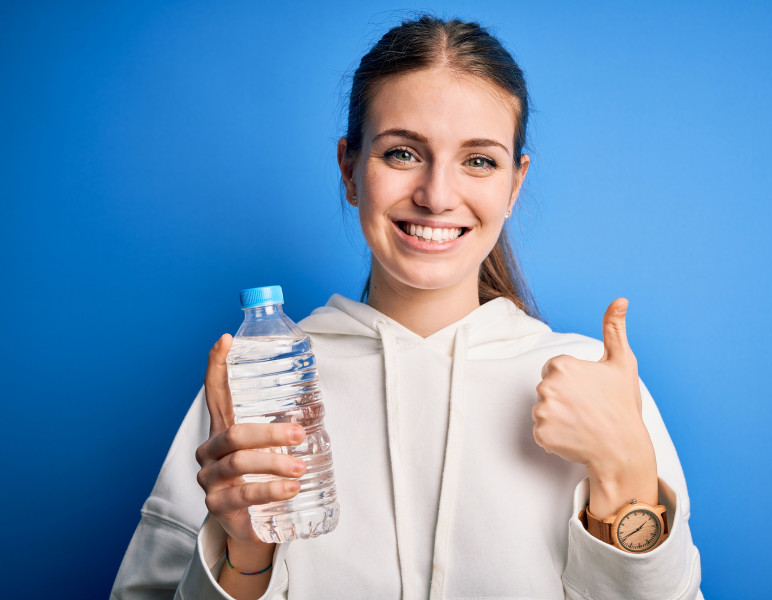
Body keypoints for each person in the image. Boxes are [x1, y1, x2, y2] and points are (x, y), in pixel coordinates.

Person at [113, 15, 702, 600]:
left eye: (479, 160)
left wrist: (626, 470)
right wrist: (243, 556)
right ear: (349, 168)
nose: (437, 196)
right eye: (401, 154)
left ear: (514, 185)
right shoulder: (260, 385)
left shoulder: (593, 383)